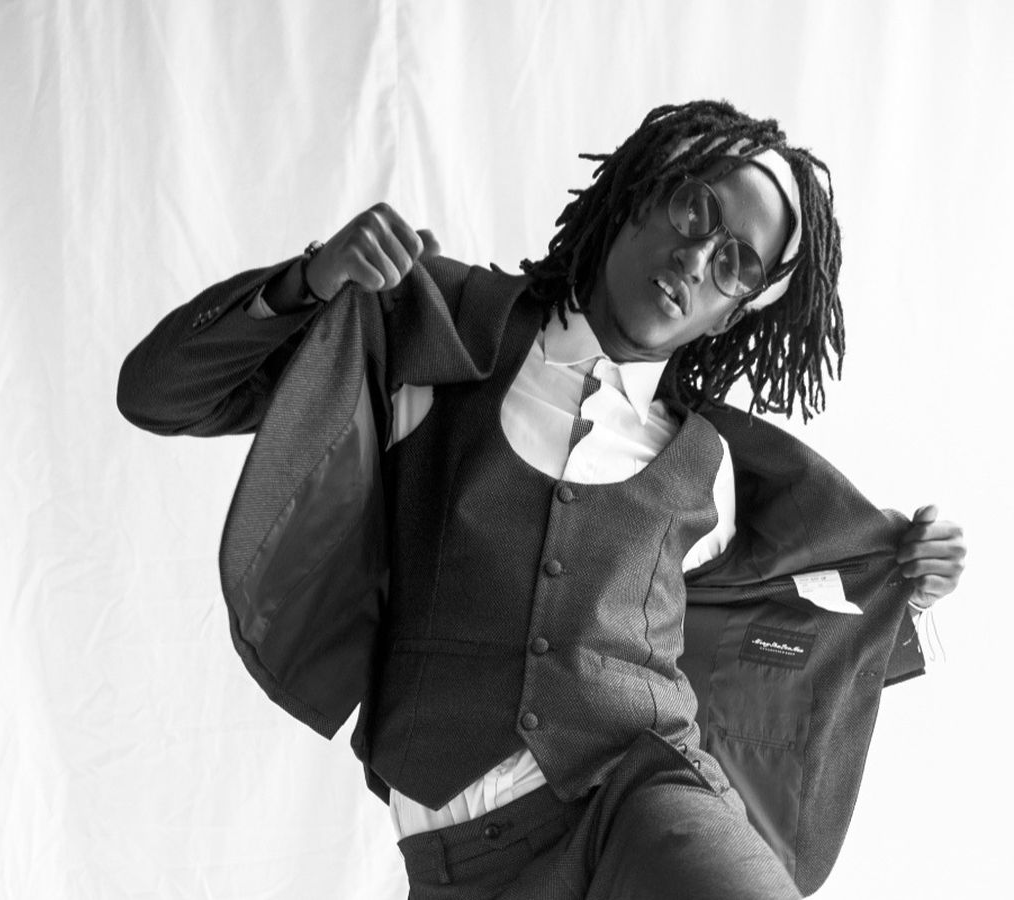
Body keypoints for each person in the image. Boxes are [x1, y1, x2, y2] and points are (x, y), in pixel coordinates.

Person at [117, 100, 965, 899]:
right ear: (639, 195)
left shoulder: (710, 464)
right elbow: (160, 392)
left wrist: (906, 578)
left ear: (726, 317)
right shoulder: (441, 333)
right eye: (694, 211)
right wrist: (308, 280)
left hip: (644, 803)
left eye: (734, 263)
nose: (697, 259)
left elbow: (792, 606)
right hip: (459, 861)